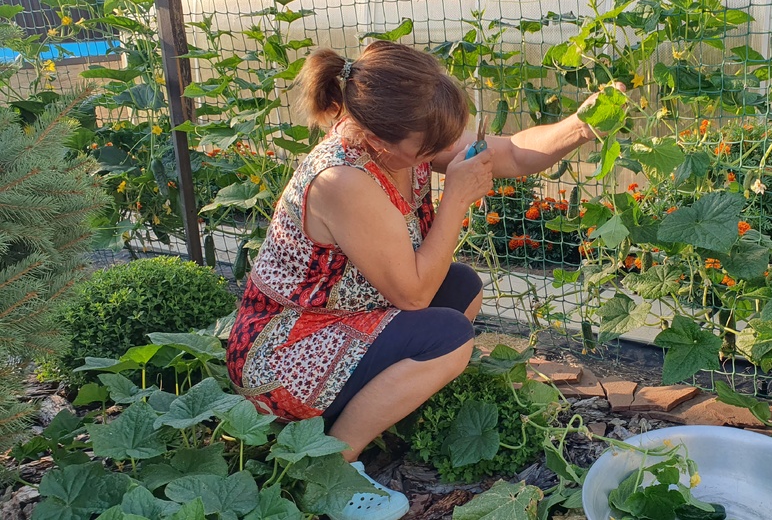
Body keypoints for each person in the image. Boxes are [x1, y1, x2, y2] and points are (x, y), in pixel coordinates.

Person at [225, 40, 619, 520]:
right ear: (377, 136)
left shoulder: (404, 139)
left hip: (343, 317)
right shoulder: (344, 179)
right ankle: (330, 465)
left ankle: (370, 410)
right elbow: (412, 296)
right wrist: (455, 199)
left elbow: (511, 153)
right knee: (448, 337)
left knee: (461, 288)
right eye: (427, 149)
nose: (437, 155)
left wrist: (580, 127)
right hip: (282, 348)